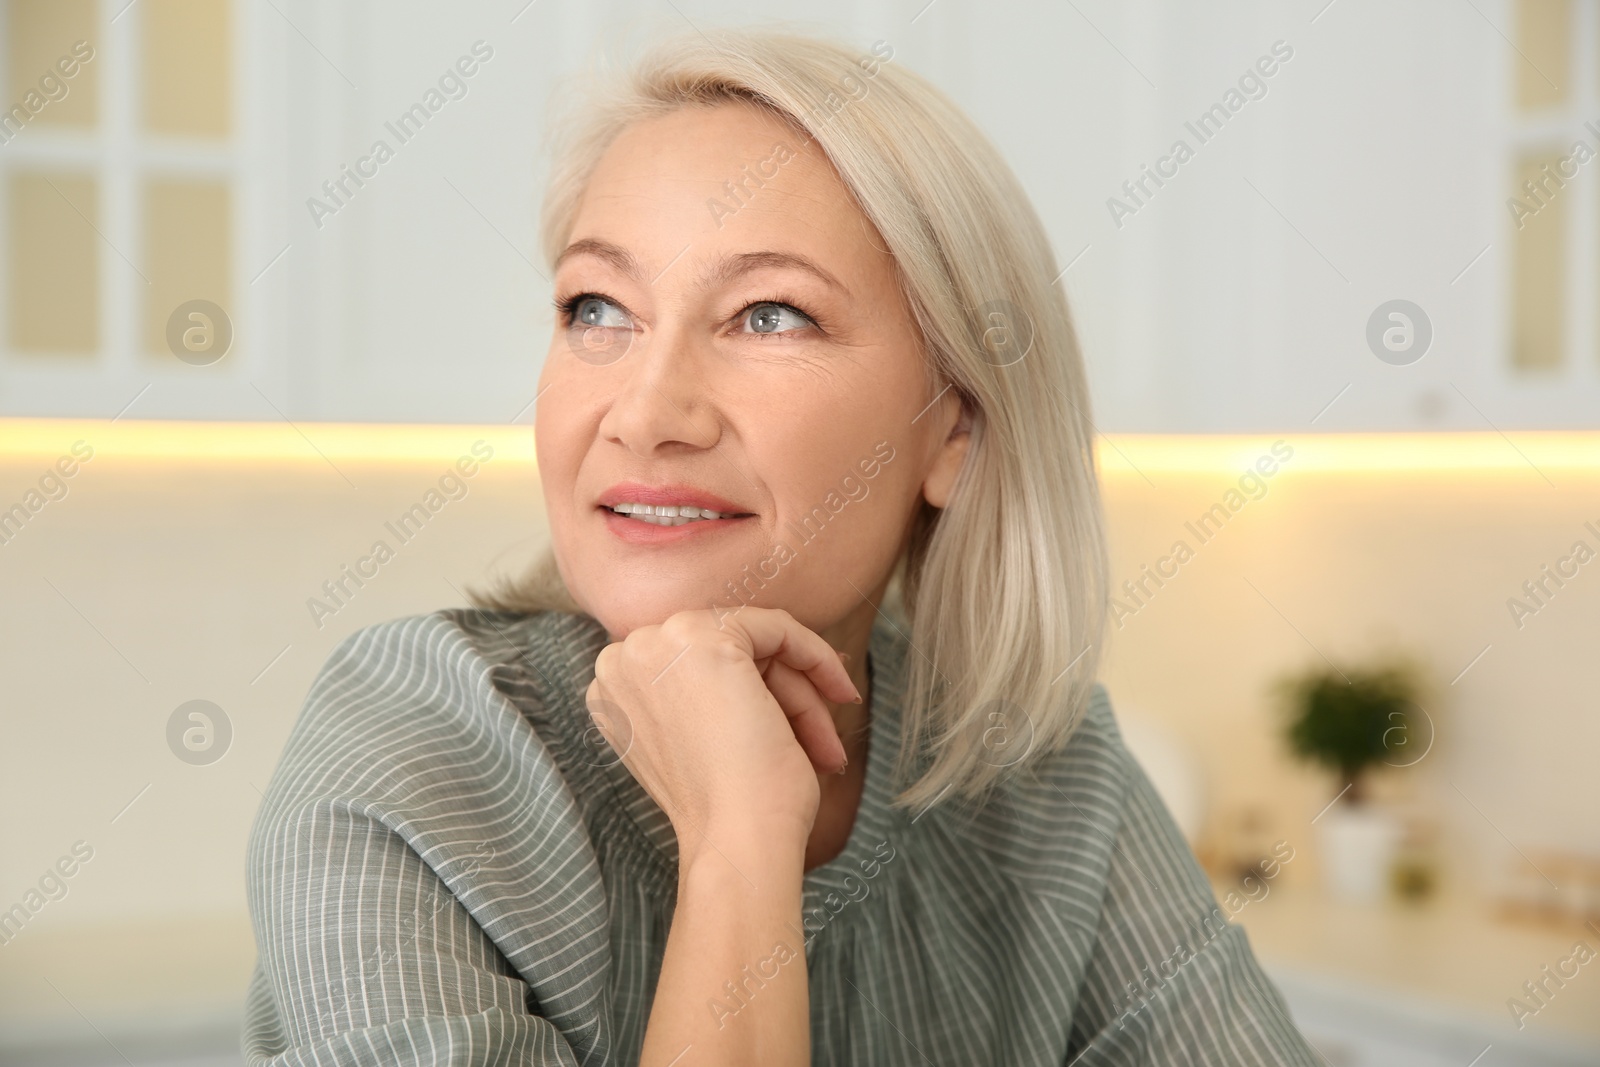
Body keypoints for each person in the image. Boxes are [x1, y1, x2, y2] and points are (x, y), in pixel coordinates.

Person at [242, 26, 1322, 1066]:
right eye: (597, 307)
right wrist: (740, 846)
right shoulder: (417, 746)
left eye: (769, 316)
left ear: (956, 427)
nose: (645, 410)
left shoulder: (1043, 766)